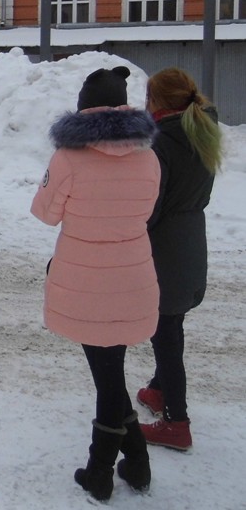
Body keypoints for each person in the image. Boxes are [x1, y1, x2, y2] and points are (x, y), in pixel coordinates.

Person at [30, 66, 160, 501]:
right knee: (111, 371)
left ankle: (100, 471)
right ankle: (137, 465)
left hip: (83, 278)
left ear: (84, 106)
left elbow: (45, 213)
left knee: (106, 377)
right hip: (134, 274)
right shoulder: (149, 156)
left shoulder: (68, 157)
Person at [137, 68, 223, 451]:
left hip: (165, 247)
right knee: (174, 322)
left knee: (165, 334)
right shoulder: (203, 129)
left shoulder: (162, 142)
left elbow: (152, 206)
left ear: (155, 101)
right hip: (190, 240)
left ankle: (177, 421)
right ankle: (158, 389)